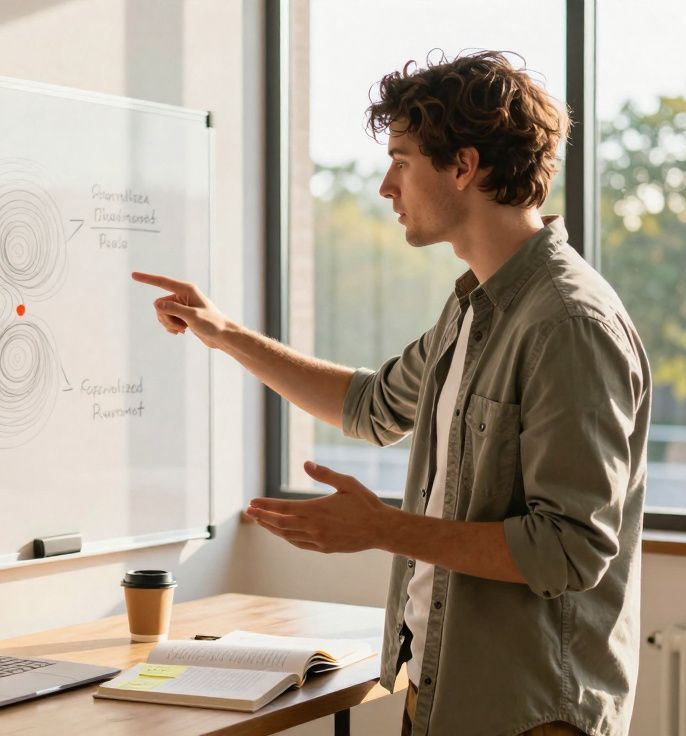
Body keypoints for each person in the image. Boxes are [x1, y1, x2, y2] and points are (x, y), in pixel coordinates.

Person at [133, 50, 650, 735]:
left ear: (463, 167)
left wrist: (380, 528)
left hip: (529, 715)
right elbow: (371, 406)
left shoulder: (567, 324)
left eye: (402, 159)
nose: (386, 184)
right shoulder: (471, 308)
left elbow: (569, 550)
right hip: (441, 692)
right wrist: (224, 333)